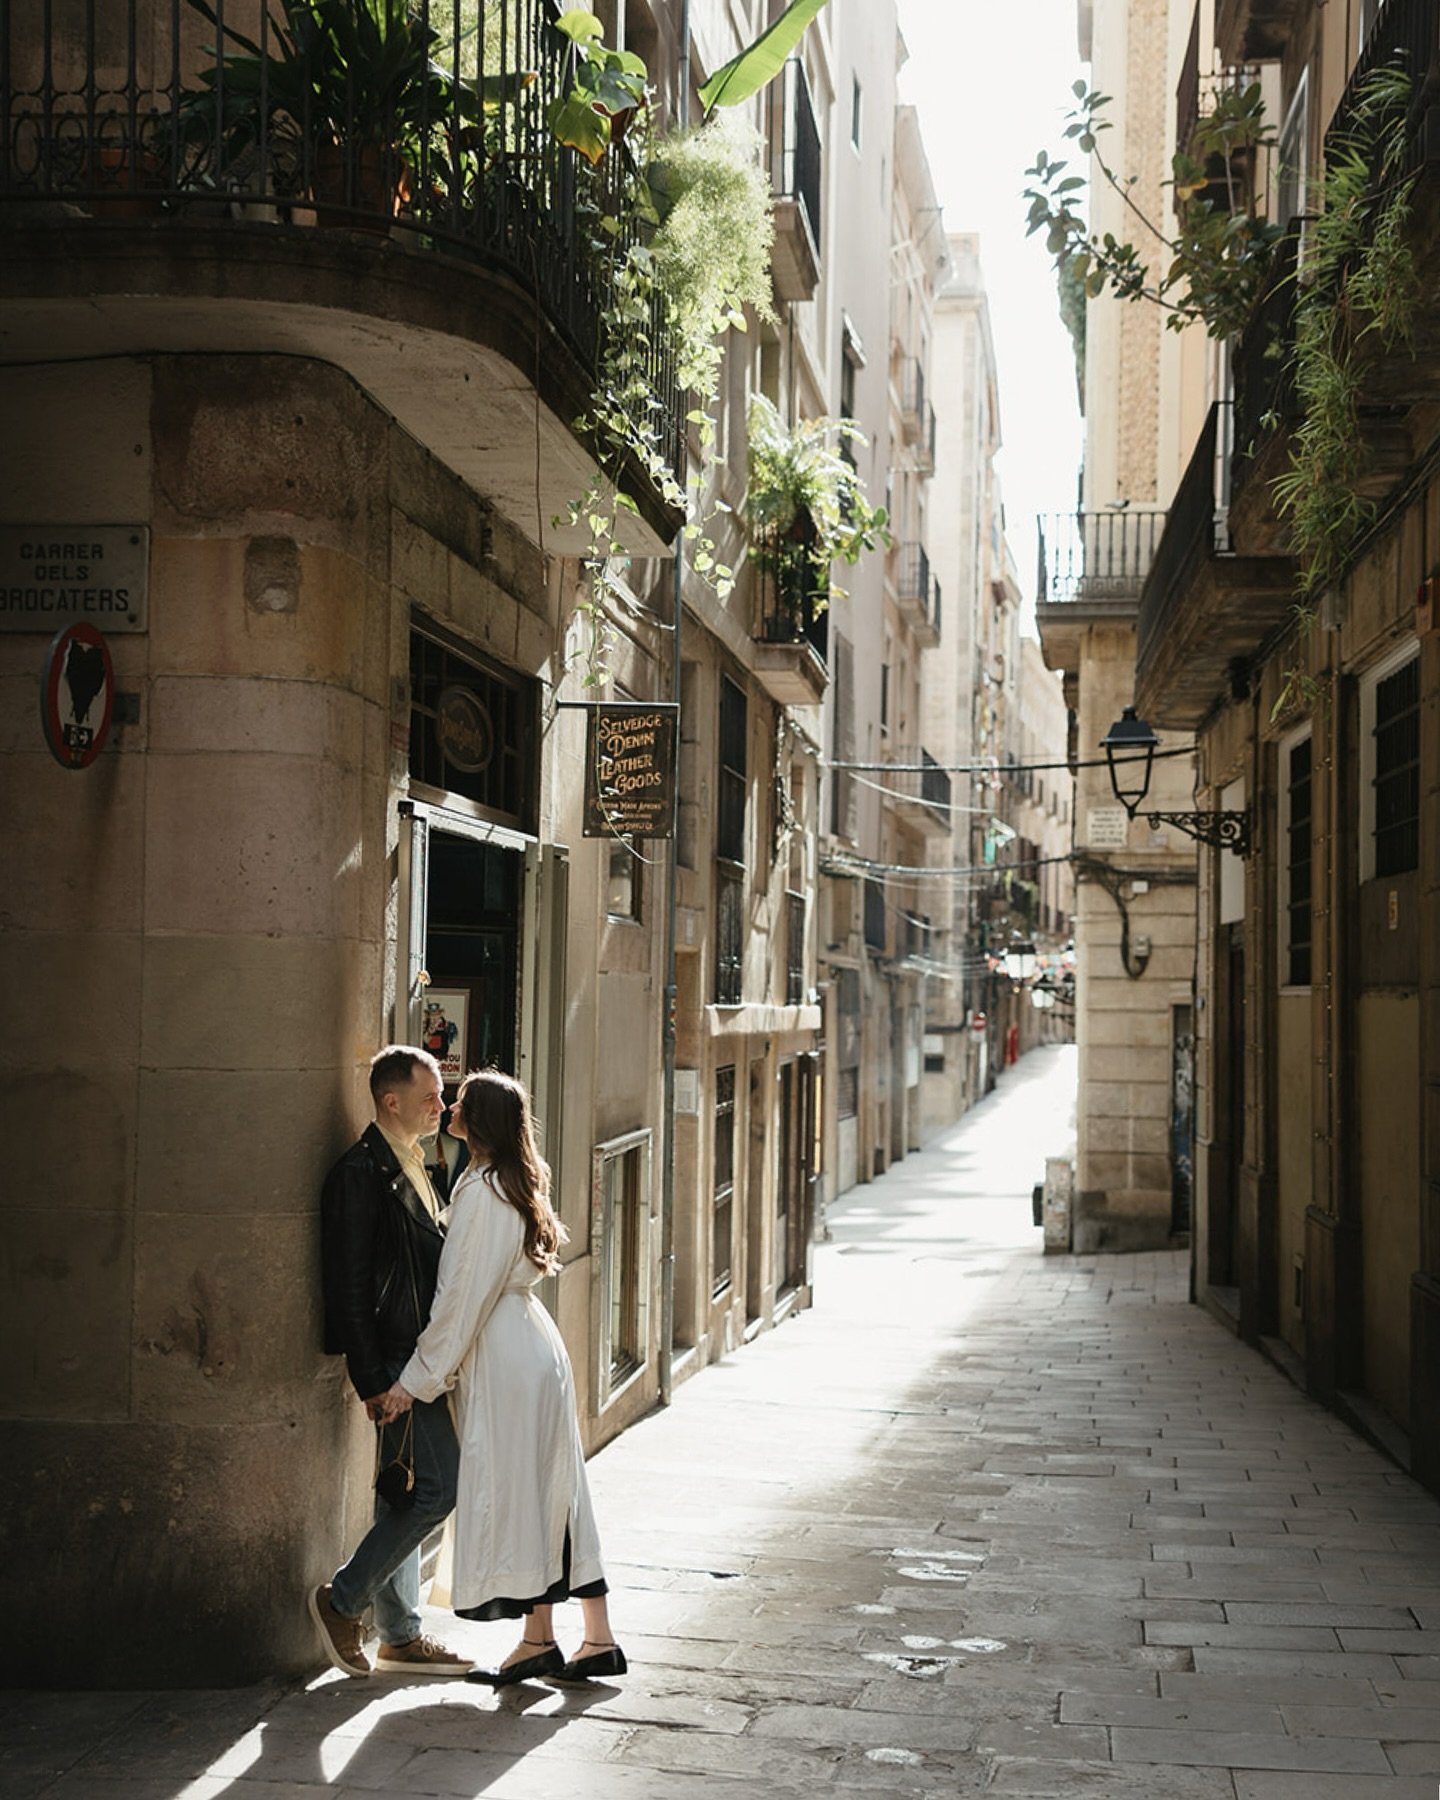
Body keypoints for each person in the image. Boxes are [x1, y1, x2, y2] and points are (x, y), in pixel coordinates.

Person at [377, 1068, 626, 1686]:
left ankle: (562, 1639)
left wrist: (417, 1378)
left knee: (526, 1491)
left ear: (479, 1121)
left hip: (507, 1352)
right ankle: (575, 1637)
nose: (450, 1106)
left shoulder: (484, 1191)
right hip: (532, 1345)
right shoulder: (506, 1182)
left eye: (461, 1101)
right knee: (551, 1489)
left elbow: (460, 1298)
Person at [310, 1046, 471, 1678]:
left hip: (417, 1354)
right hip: (397, 1361)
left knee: (400, 1490)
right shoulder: (360, 1173)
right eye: (431, 1095)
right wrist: (373, 1379)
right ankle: (341, 1600)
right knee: (437, 1489)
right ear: (390, 1100)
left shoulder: (417, 1161)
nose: (441, 1105)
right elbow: (347, 1285)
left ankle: (400, 1633)